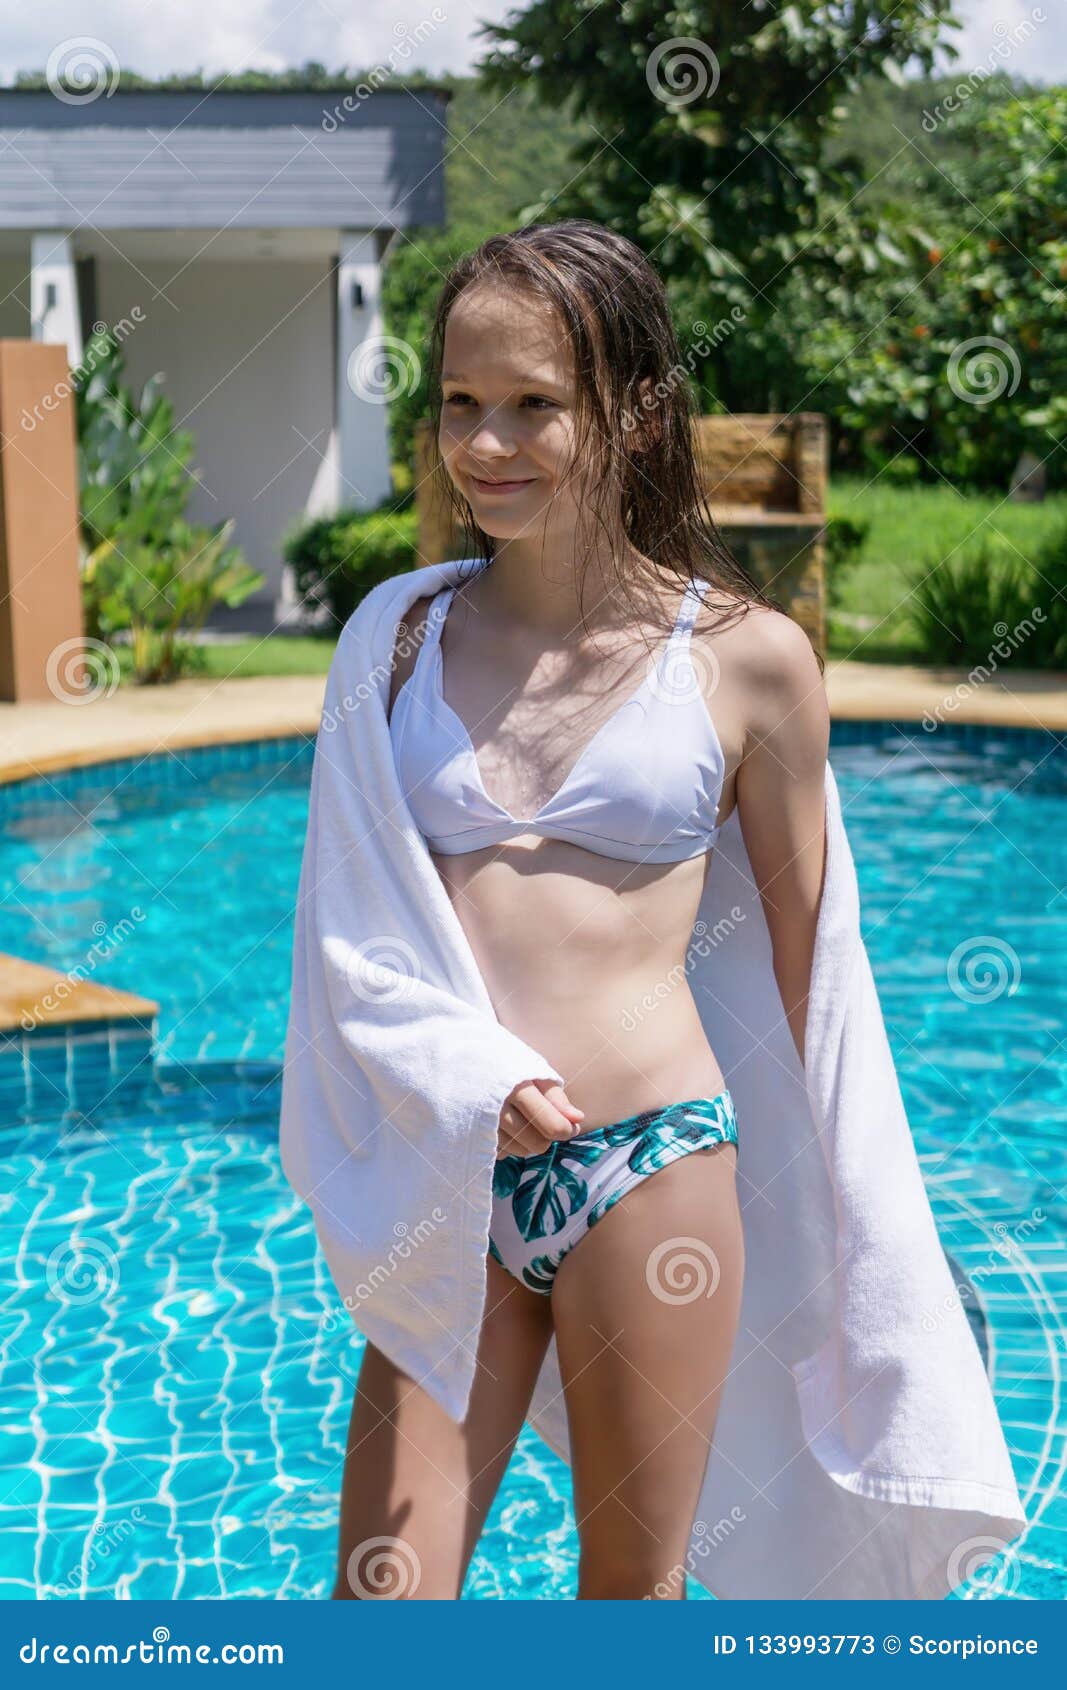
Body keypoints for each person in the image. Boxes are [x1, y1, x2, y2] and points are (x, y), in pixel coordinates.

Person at [330, 220, 829, 1599]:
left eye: (534, 404)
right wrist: (458, 1072)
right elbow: (346, 933)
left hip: (653, 1165)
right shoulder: (397, 642)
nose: (486, 442)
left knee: (627, 1604)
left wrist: (859, 1242)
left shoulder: (751, 664)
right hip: (452, 1172)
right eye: (459, 403)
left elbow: (816, 984)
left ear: (638, 409)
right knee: (380, 1605)